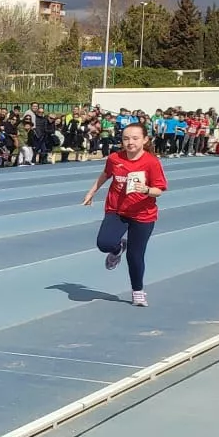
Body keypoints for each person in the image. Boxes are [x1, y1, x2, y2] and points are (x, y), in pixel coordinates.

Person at [82, 120, 167, 307]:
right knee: (104, 243)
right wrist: (91, 192)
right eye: (126, 138)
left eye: (135, 138)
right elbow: (105, 174)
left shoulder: (152, 162)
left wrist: (145, 189)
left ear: (145, 140)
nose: (130, 142)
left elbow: (159, 190)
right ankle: (117, 248)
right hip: (116, 209)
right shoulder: (115, 158)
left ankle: (138, 291)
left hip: (142, 214)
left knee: (135, 256)